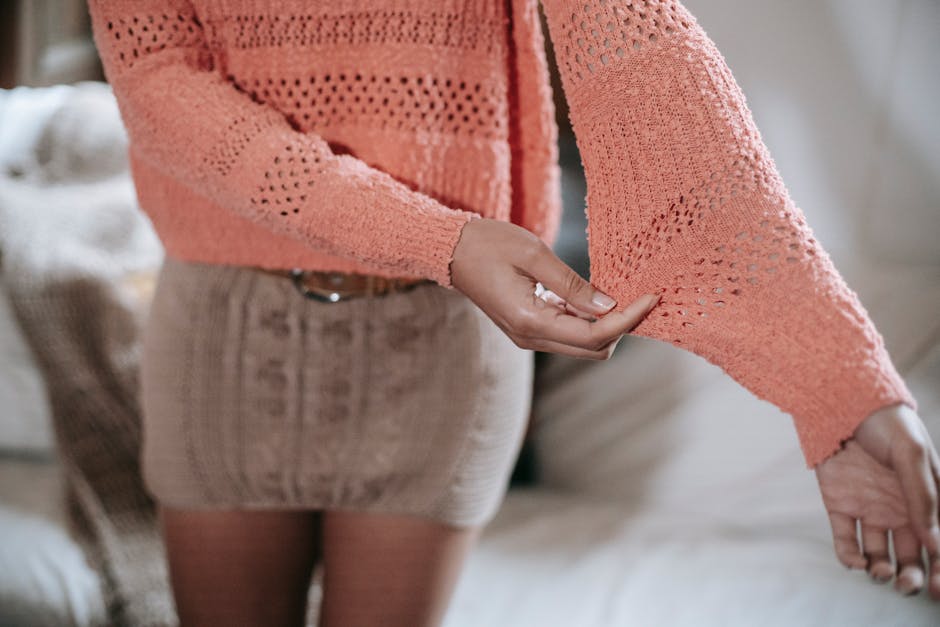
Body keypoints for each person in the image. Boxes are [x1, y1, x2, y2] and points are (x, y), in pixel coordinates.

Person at [85, 0, 939, 625]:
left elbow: (643, 46)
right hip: (226, 334)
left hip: (442, 346)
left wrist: (839, 379)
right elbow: (160, 89)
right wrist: (442, 239)